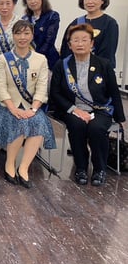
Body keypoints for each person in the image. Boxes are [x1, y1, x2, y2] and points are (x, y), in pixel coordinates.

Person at [50, 23, 125, 186]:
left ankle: (99, 169)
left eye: (84, 40)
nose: (80, 43)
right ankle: (81, 168)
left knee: (96, 128)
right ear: (69, 45)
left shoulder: (103, 64)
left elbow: (114, 92)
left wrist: (121, 119)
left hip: (100, 109)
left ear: (92, 43)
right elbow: (55, 93)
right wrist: (75, 110)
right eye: (75, 40)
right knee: (77, 126)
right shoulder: (62, 65)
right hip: (71, 109)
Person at [0, 20, 55, 188]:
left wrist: (33, 109)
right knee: (18, 122)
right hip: (7, 107)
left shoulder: (41, 59)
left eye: (26, 33)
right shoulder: (4, 59)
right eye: (18, 33)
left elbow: (42, 87)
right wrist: (13, 109)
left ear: (32, 35)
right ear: (13, 36)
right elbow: (1, 87)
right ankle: (9, 164)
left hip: (31, 107)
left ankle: (24, 167)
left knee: (38, 122)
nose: (22, 37)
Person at [60, 0, 119, 68]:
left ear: (102, 1)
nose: (90, 2)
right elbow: (66, 49)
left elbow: (108, 51)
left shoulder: (109, 23)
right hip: (75, 68)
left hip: (100, 68)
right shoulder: (76, 22)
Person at [21, 0, 60, 71]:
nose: (32, 1)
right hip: (28, 60)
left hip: (49, 60)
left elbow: (49, 40)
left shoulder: (52, 16)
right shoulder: (24, 19)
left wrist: (36, 56)